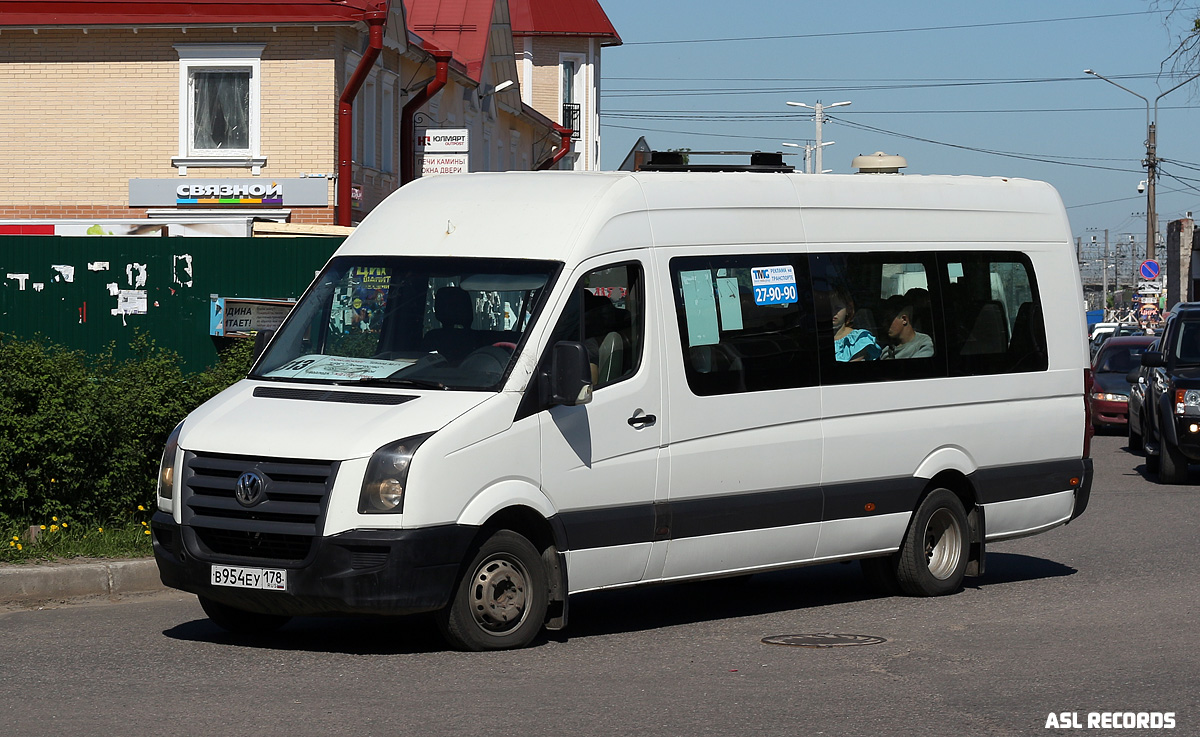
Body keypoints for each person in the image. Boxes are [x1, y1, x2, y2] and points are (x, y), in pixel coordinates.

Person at [832, 288, 880, 361]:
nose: (832, 312)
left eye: (837, 308)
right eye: (828, 308)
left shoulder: (859, 340)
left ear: (848, 309)